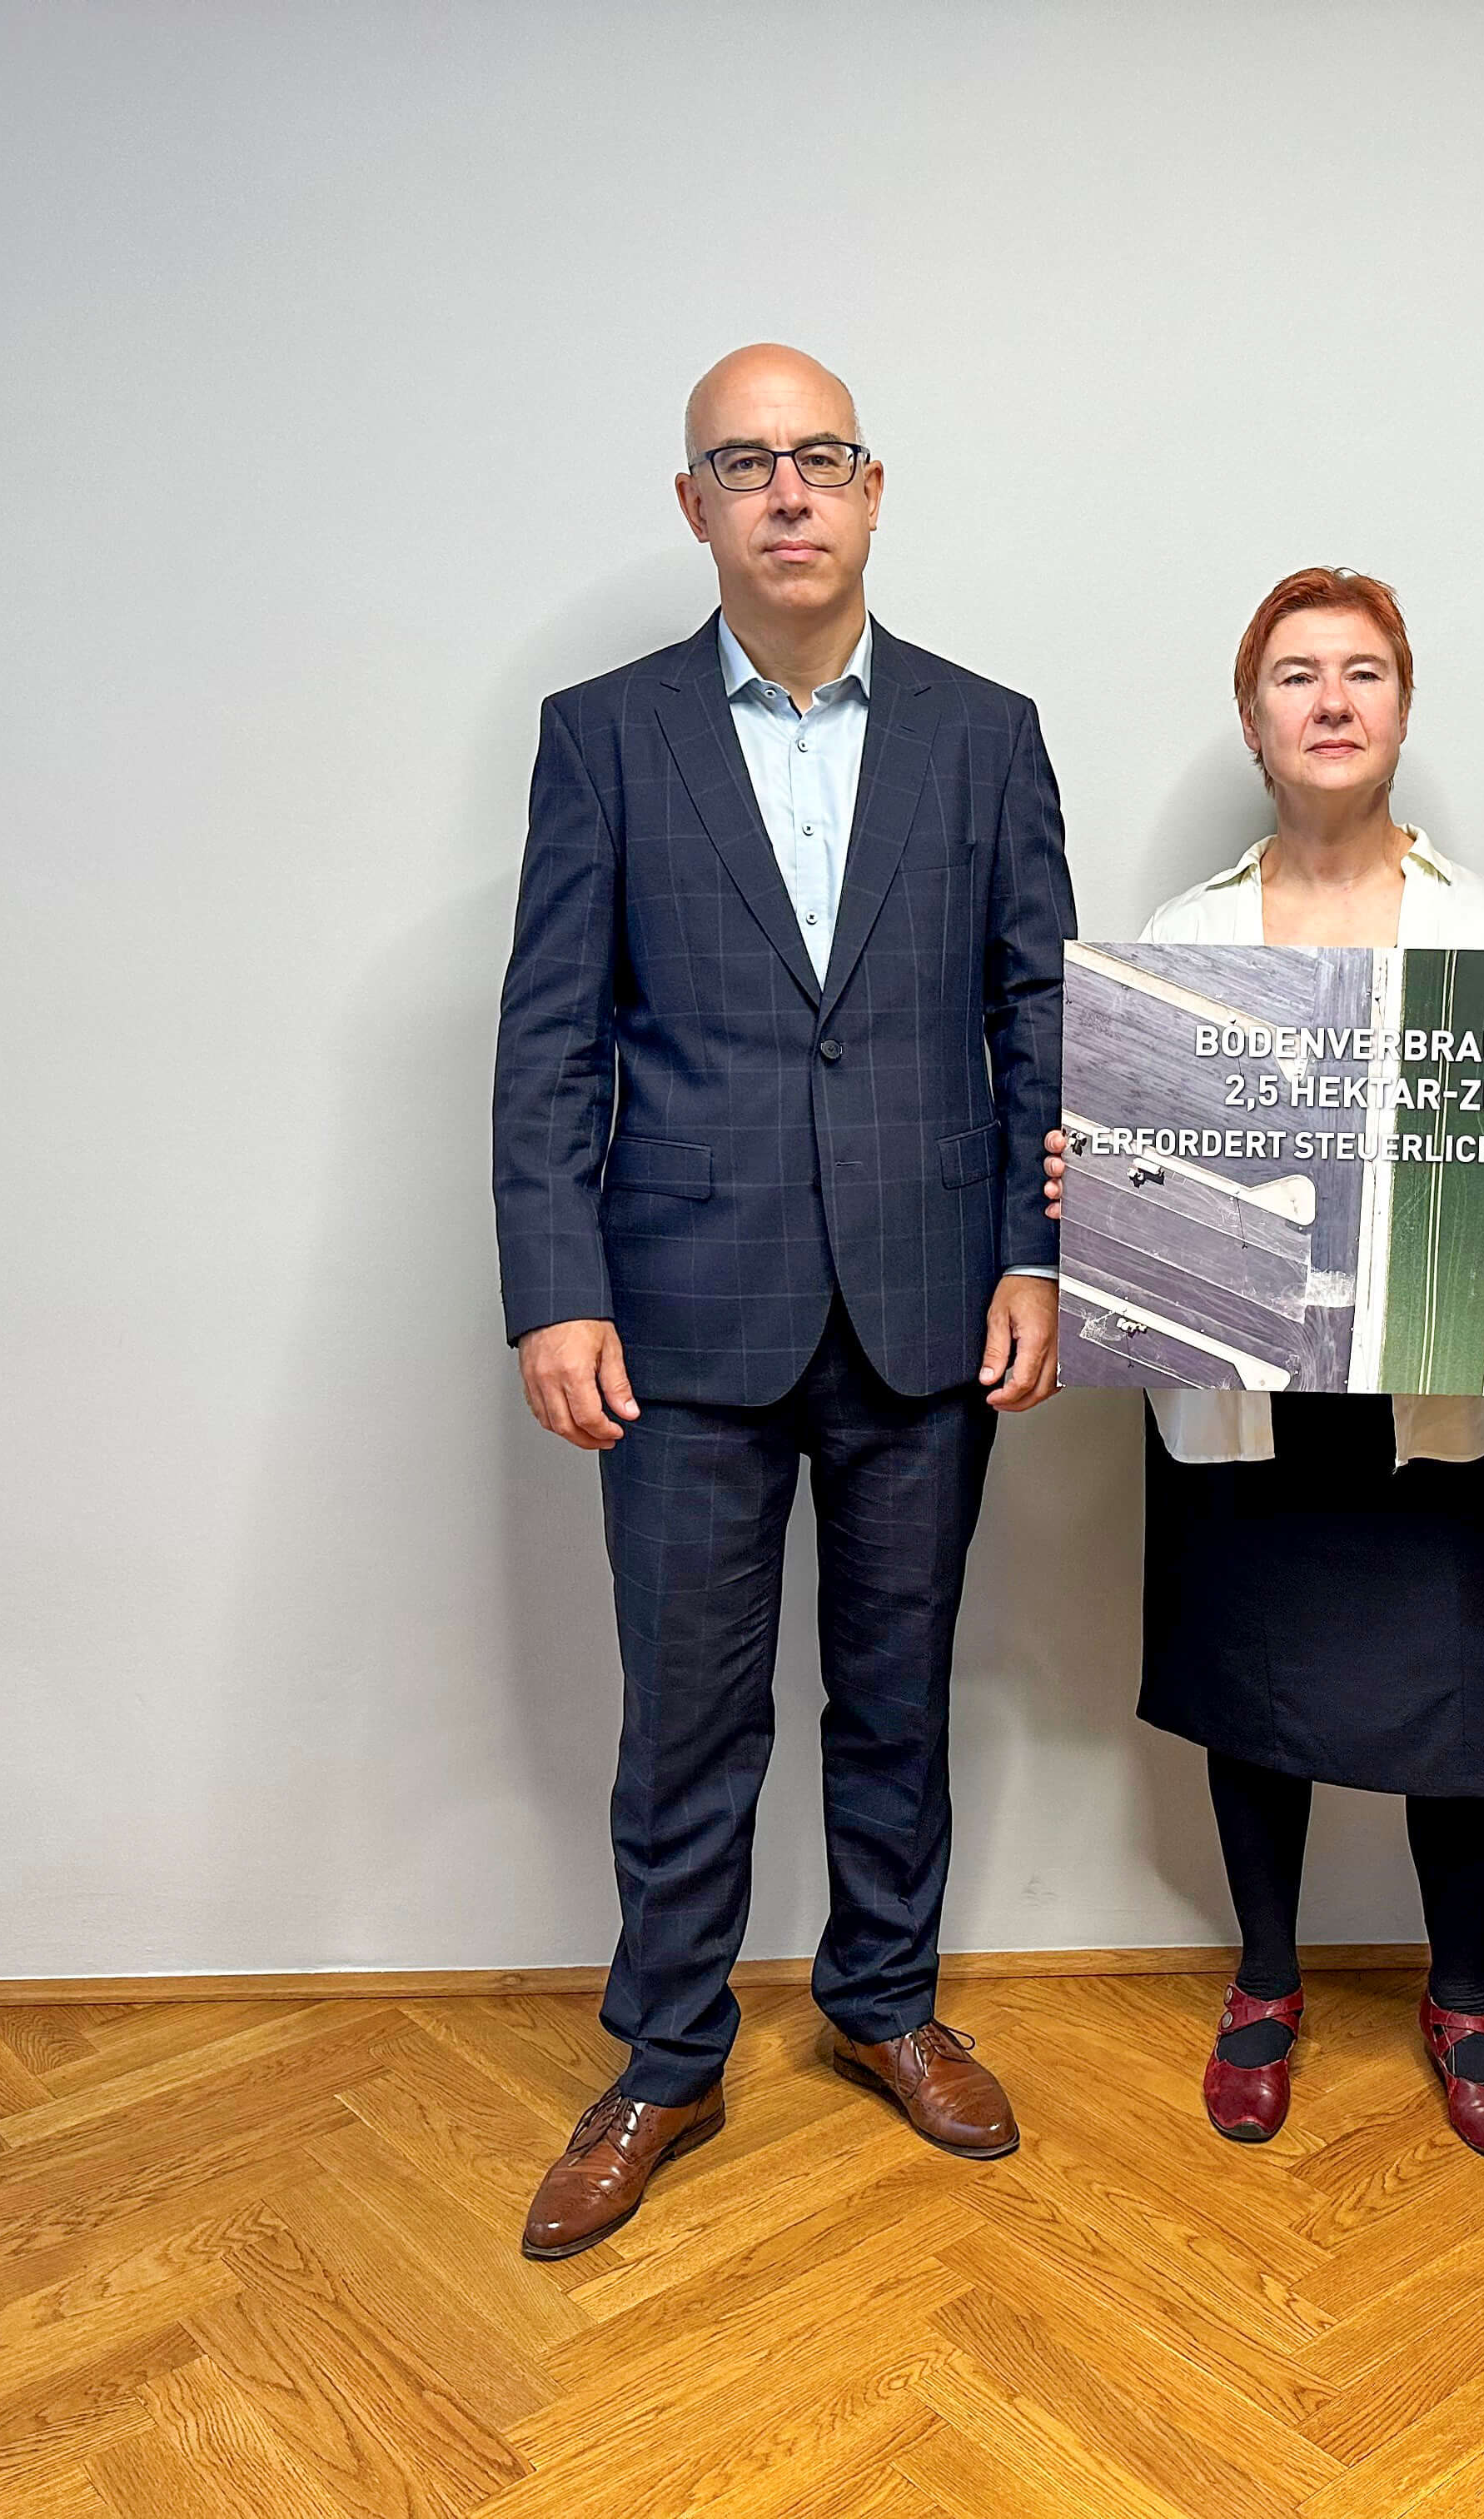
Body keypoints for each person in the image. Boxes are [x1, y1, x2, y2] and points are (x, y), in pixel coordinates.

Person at [492, 343, 1073, 2258]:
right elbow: (550, 1038)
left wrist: (1032, 1248)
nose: (790, 492)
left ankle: (885, 2004)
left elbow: (1034, 1013)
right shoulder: (605, 734)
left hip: (923, 1303)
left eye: (820, 456)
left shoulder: (987, 733)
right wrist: (554, 1289)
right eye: (747, 464)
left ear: (876, 487)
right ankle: (665, 2055)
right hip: (680, 1310)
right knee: (686, 1715)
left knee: (898, 1698)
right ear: (697, 509)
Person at [1045, 568, 1484, 2158]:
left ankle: (1462, 1993)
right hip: (1240, 1380)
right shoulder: (1182, 942)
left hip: (1430, 1389)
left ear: (1403, 705)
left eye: (1363, 672)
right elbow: (1159, 1176)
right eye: (1295, 676)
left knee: (1456, 1694)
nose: (1331, 701)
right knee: (1251, 1676)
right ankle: (1266, 1981)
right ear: (1252, 718)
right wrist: (1097, 1180)